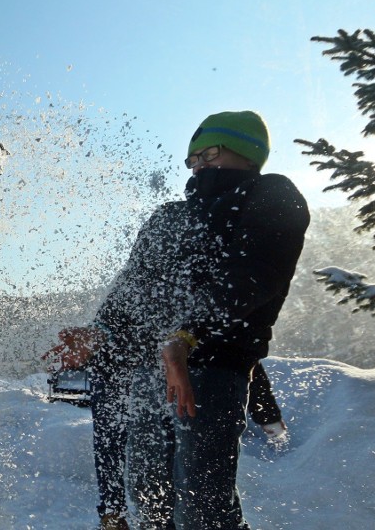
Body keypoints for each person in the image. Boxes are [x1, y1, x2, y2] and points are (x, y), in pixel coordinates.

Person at [51, 111, 309, 529]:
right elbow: (133, 286)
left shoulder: (270, 195)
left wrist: (186, 335)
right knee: (149, 494)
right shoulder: (168, 216)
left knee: (202, 506)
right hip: (153, 368)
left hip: (213, 369)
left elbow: (252, 276)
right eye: (193, 159)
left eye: (211, 152)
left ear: (247, 154)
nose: (200, 165)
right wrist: (99, 332)